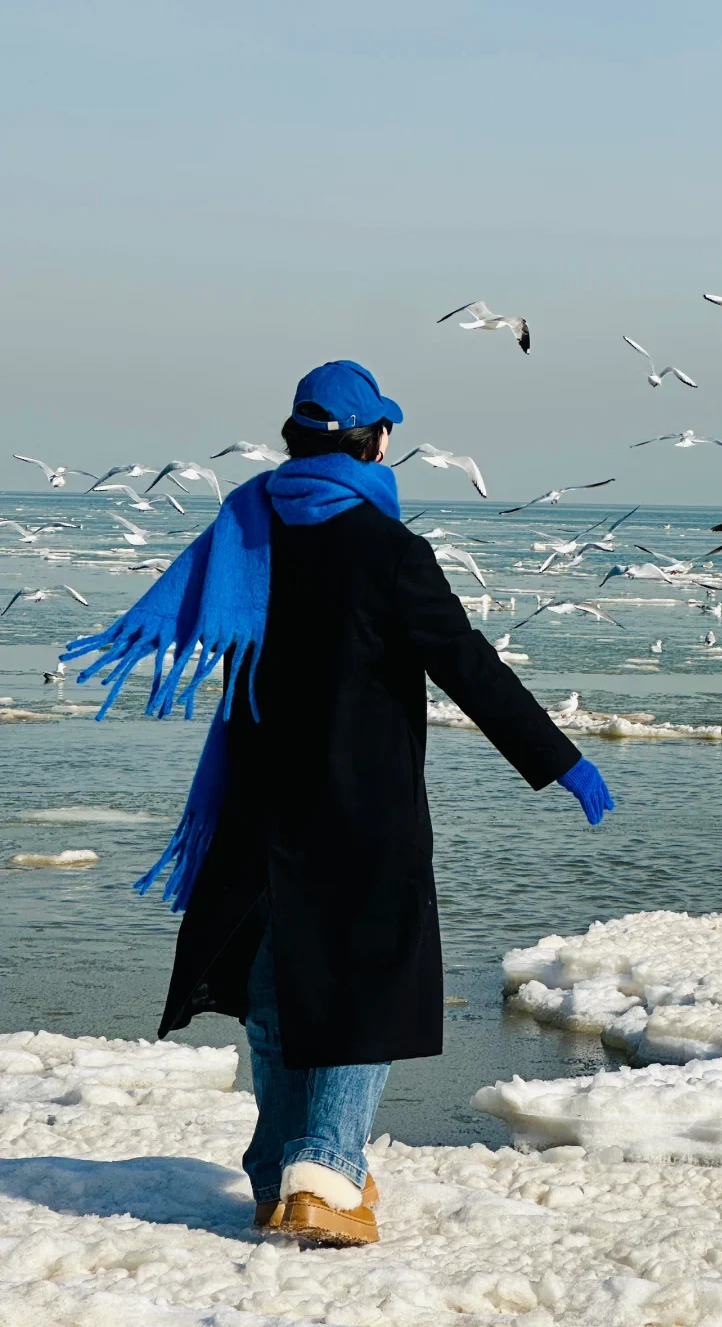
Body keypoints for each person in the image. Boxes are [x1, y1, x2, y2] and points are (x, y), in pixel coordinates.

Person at [63, 360, 614, 1247]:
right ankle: (322, 1172)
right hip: (361, 811)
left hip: (254, 799)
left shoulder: (247, 524)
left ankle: (279, 1174)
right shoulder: (388, 550)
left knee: (280, 990)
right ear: (377, 439)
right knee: (365, 987)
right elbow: (465, 663)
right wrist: (562, 762)